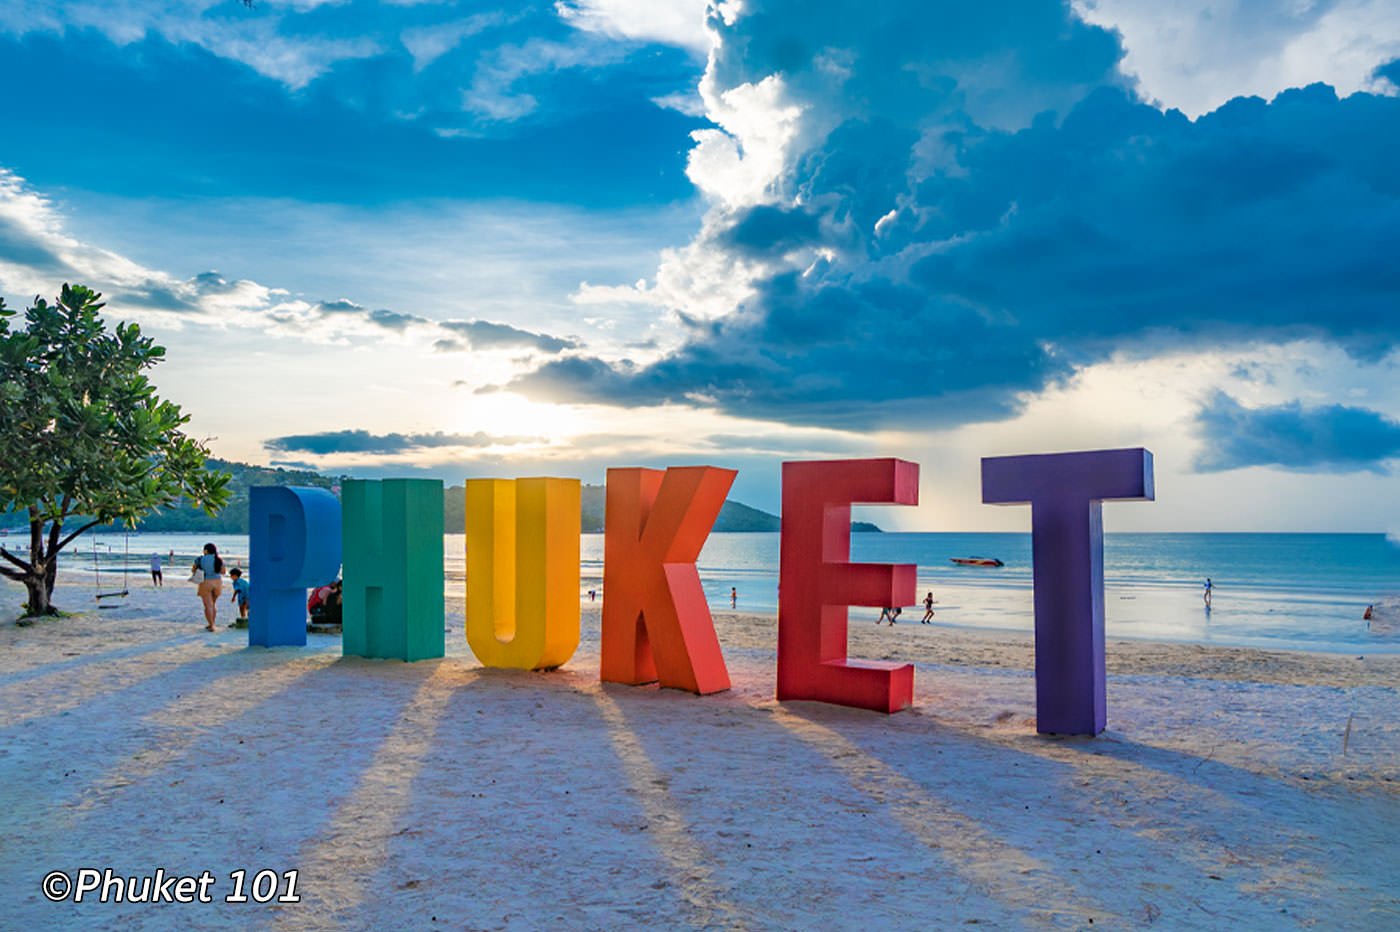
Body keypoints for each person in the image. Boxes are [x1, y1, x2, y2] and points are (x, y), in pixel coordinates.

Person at [192, 543, 225, 631]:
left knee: (208, 606)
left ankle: (211, 625)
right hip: (218, 582)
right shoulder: (219, 559)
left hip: (205, 582)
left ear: (206, 550)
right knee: (213, 605)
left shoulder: (200, 559)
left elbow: (193, 570)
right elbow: (223, 572)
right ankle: (212, 623)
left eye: (204, 549)